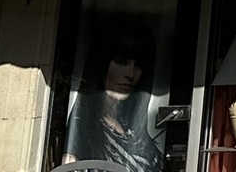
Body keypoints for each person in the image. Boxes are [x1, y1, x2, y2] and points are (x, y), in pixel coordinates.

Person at [65, 16, 163, 172]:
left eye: (138, 65)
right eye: (122, 62)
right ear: (100, 63)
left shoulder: (134, 133)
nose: (130, 74)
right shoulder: (81, 131)